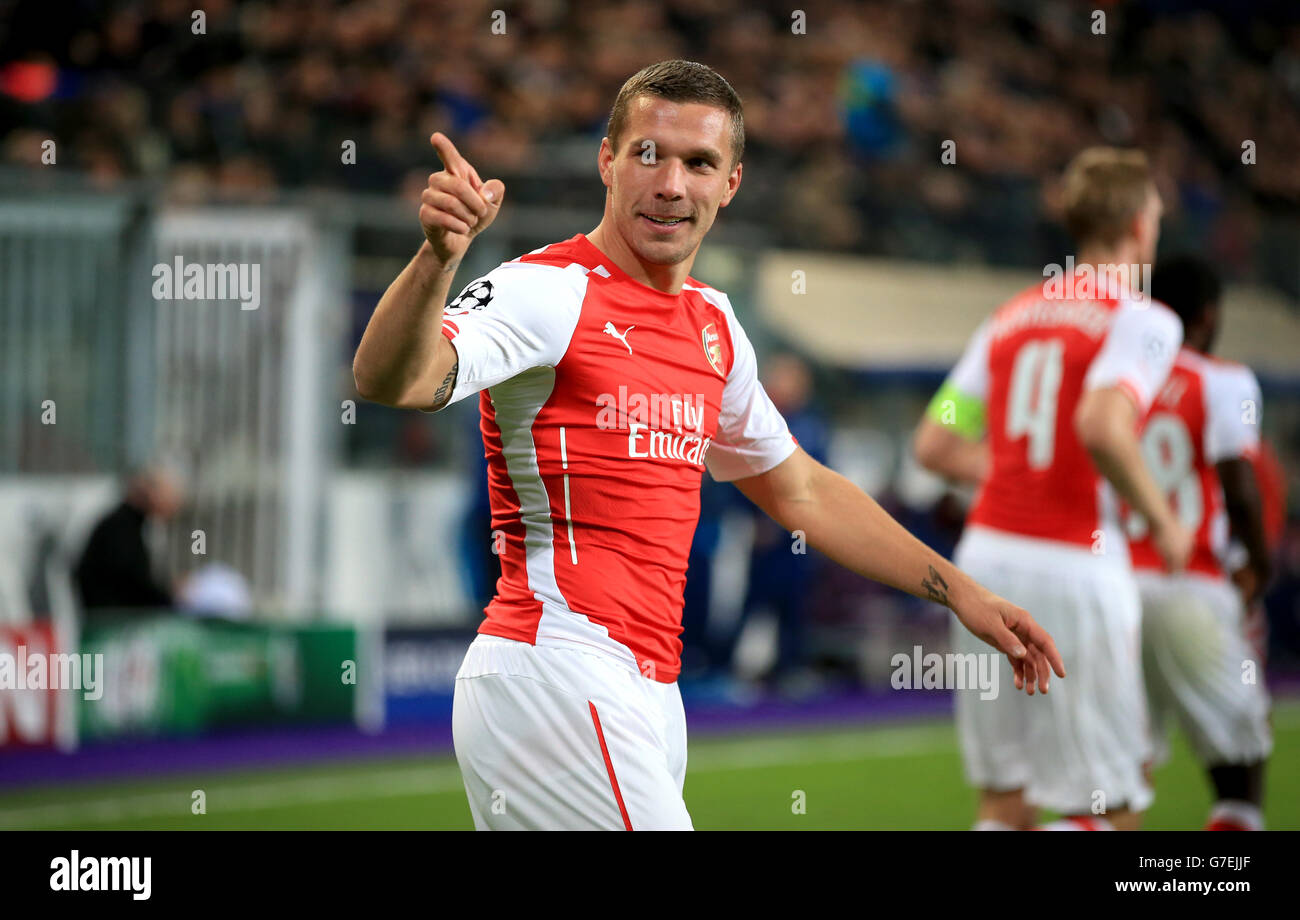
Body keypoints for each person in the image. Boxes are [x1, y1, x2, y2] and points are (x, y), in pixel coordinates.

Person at [353, 59, 1063, 831]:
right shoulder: (547, 289)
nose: (671, 185)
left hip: (652, 691)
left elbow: (802, 492)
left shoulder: (715, 326)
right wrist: (437, 259)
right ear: (608, 161)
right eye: (649, 155)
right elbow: (393, 379)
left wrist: (961, 591)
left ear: (730, 183)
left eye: (700, 163)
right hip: (559, 667)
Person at [913, 147, 1191, 830]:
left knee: (1006, 798)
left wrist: (1013, 467)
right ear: (1138, 224)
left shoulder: (1008, 319)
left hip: (985, 565)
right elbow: (1102, 421)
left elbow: (936, 437)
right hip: (1075, 565)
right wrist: (1163, 520)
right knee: (1111, 804)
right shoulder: (1143, 319)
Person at [1129, 254, 1273, 830]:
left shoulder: (1118, 382)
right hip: (1190, 581)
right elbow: (1239, 486)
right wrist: (1259, 562)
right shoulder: (1223, 380)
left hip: (1114, 589)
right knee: (1241, 759)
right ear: (1209, 316)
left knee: (1122, 768)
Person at [74, 466, 183, 616]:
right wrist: (170, 599)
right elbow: (132, 582)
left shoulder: (127, 525)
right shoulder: (120, 528)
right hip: (110, 621)